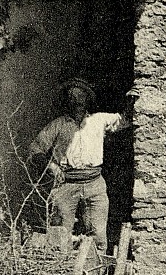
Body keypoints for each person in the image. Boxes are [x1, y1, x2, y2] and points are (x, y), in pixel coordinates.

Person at [30, 78, 131, 251]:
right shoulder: (58, 125)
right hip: (66, 184)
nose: (76, 100)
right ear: (67, 101)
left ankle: (94, 274)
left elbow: (125, 120)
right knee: (59, 234)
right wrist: (52, 167)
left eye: (80, 96)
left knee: (98, 234)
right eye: (72, 97)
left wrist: (134, 98)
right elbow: (35, 149)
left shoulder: (98, 120)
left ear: (87, 100)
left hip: (94, 184)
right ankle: (61, 272)